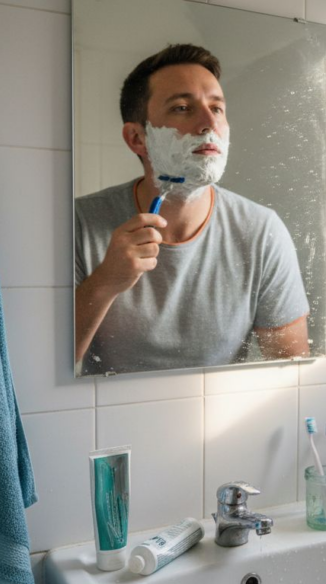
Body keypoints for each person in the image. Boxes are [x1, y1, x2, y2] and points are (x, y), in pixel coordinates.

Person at [74, 44, 310, 375]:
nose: (208, 123)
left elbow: (292, 372)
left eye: (217, 108)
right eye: (183, 108)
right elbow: (43, 369)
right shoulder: (80, 223)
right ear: (137, 139)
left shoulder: (261, 231)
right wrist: (105, 282)